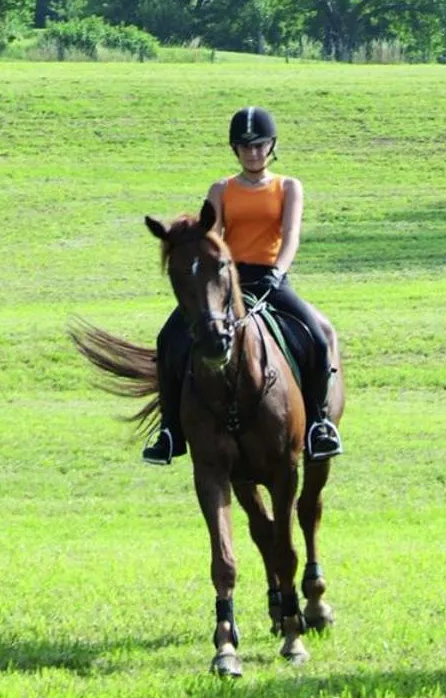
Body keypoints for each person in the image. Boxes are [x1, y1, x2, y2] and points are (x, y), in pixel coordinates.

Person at [142, 107, 341, 465]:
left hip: (272, 278)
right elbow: (213, 238)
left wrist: (278, 271)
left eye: (260, 145)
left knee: (318, 335)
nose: (253, 152)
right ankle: (169, 431)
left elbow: (291, 236)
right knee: (168, 338)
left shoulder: (288, 187)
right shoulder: (221, 189)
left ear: (271, 146)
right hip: (226, 281)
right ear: (235, 149)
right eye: (245, 146)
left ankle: (318, 424)